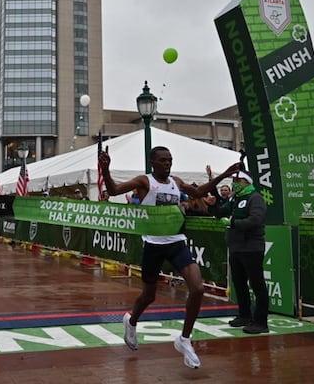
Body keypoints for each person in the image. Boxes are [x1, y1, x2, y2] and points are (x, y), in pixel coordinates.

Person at [99, 146, 240, 369]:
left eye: (170, 160)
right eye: (163, 160)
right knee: (148, 296)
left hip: (176, 242)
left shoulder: (176, 181)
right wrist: (105, 170)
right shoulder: (144, 182)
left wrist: (222, 175)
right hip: (153, 245)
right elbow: (114, 190)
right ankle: (131, 321)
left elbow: (198, 192)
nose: (168, 163)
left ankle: (184, 340)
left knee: (198, 289)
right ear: (153, 162)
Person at [214, 170, 269, 334]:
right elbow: (221, 211)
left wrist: (233, 222)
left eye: (237, 180)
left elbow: (256, 220)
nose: (234, 183)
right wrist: (212, 204)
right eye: (233, 180)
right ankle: (244, 315)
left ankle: (261, 321)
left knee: (257, 284)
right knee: (239, 283)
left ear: (246, 182)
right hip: (236, 247)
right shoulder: (235, 198)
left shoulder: (255, 198)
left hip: (251, 247)